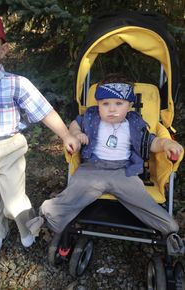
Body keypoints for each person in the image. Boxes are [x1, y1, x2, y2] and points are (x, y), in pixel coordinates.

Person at [0, 8, 80, 259]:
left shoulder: (16, 84)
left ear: (3, 49)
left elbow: (44, 111)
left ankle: (27, 226)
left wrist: (66, 135)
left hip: (9, 147)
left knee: (13, 200)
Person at [40, 78, 185, 256]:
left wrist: (165, 144)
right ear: (98, 104)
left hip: (123, 171)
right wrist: (77, 134)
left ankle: (168, 228)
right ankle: (48, 215)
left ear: (130, 105)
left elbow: (151, 142)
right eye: (105, 103)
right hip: (93, 168)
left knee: (141, 199)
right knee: (75, 191)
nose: (112, 109)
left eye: (119, 103)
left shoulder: (134, 123)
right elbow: (75, 123)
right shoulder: (92, 116)